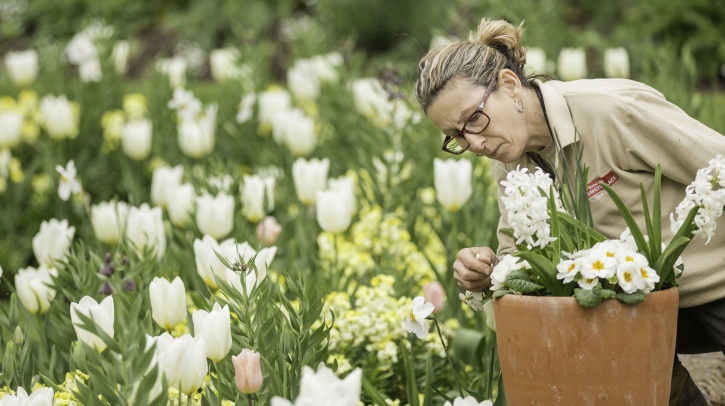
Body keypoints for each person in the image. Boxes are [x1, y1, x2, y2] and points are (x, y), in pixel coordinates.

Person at [412, 17, 725, 405]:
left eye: (474, 119)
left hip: (717, 284)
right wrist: (486, 267)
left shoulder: (613, 112)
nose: (473, 142)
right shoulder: (509, 157)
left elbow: (720, 165)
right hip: (641, 304)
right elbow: (518, 254)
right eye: (456, 136)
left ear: (509, 85)